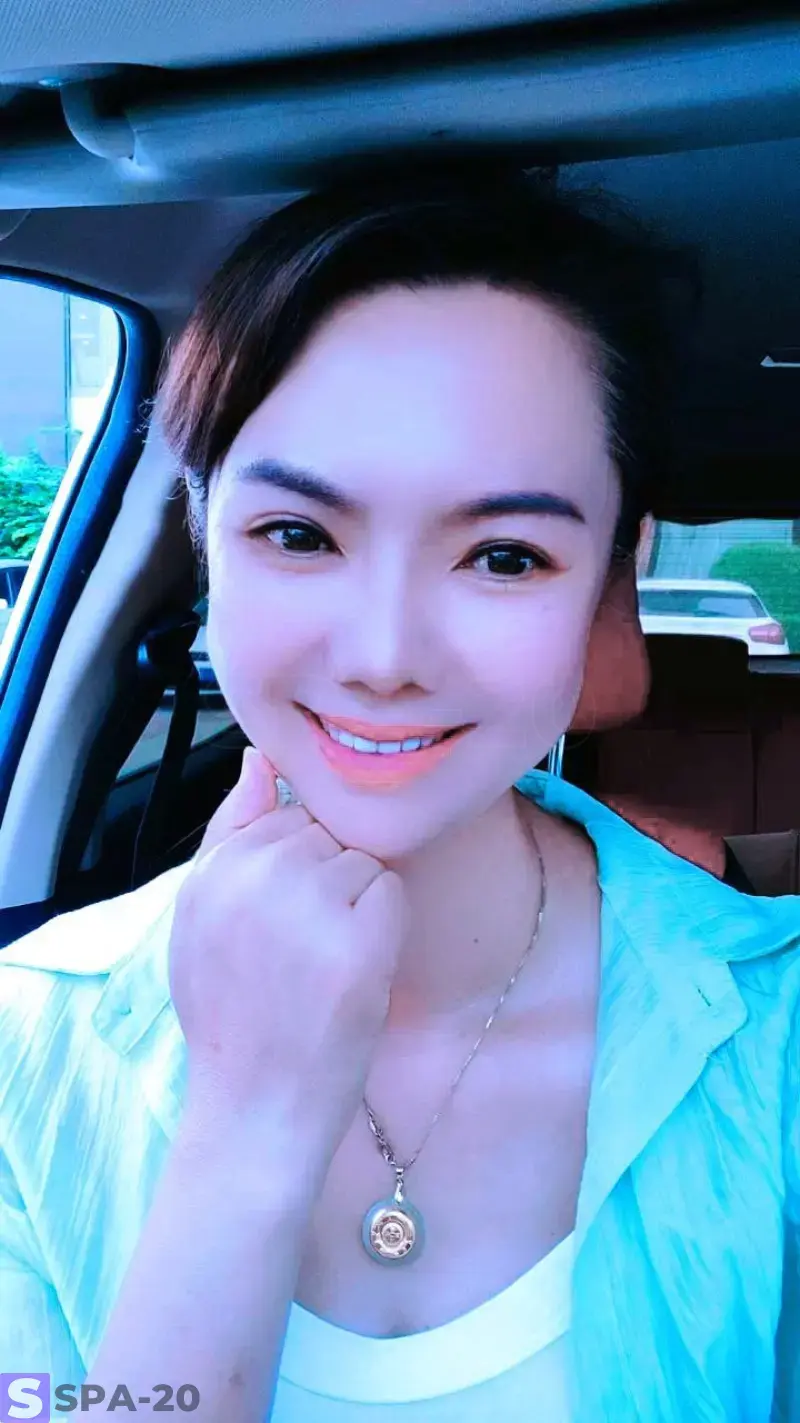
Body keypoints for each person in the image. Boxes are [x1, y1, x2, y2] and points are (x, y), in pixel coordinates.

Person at [0, 162, 798, 1423]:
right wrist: (245, 1131)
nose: (383, 654)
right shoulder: (22, 1043)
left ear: (612, 572)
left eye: (503, 556)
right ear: (206, 539)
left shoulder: (772, 1044)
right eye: (298, 535)